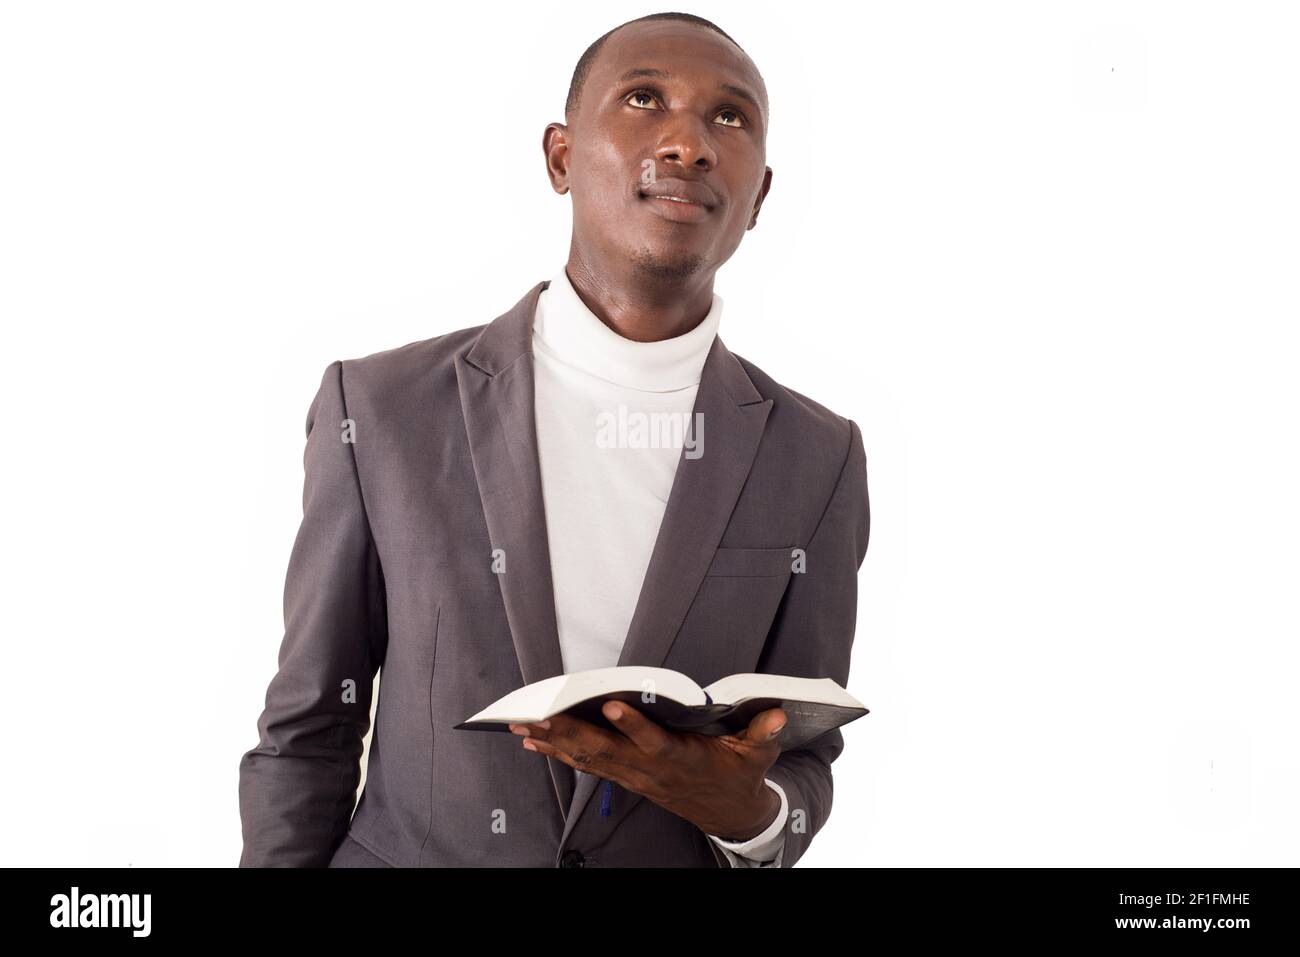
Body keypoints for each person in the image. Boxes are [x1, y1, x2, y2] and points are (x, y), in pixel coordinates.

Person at [238, 11, 870, 868]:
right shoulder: (381, 409)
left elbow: (803, 756)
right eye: (645, 98)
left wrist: (749, 813)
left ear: (758, 197)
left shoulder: (818, 455)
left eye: (730, 117)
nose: (688, 143)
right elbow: (309, 728)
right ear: (561, 157)